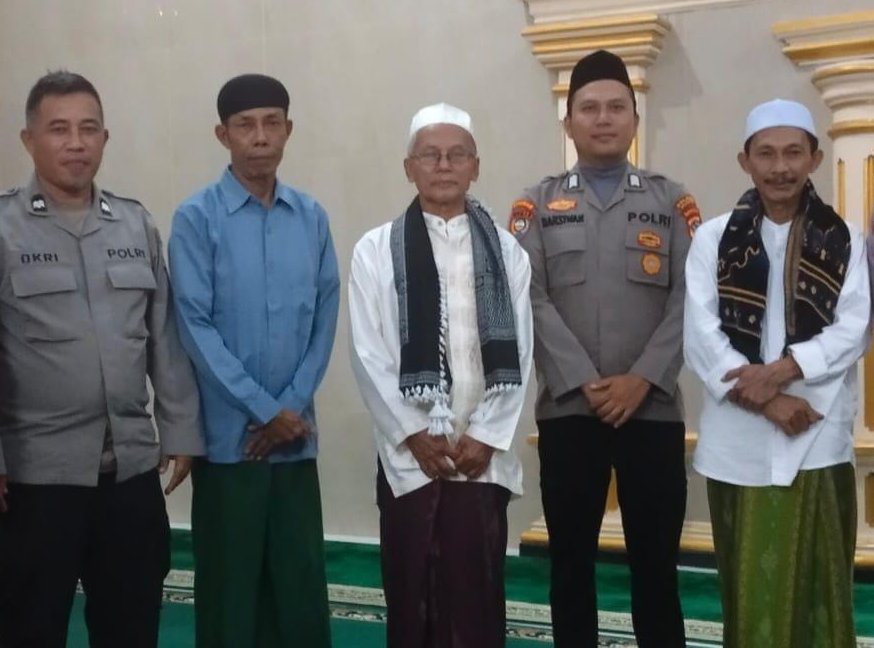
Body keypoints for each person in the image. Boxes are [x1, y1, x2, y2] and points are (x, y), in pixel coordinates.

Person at [0, 70, 204, 648]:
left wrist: (180, 429)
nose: (76, 143)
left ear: (105, 139)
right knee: (32, 627)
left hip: (129, 472)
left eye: (88, 129)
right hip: (35, 476)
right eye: (59, 129)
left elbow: (163, 336)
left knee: (131, 625)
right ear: (29, 140)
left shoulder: (134, 222)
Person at [509, 49, 693, 647]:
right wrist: (584, 380)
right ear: (568, 123)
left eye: (617, 107)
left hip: (652, 410)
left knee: (656, 569)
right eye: (589, 108)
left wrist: (643, 378)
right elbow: (529, 296)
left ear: (636, 119)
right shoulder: (536, 205)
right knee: (570, 567)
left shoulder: (671, 202)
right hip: (570, 411)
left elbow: (690, 298)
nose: (604, 118)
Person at [684, 99, 869, 648]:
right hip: (738, 438)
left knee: (820, 587)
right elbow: (701, 336)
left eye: (793, 153)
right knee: (750, 589)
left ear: (815, 159)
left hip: (817, 432)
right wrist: (768, 398)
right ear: (745, 162)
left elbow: (854, 327)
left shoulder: (844, 239)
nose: (780, 167)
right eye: (766, 154)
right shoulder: (713, 238)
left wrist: (786, 370)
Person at [349, 102, 533, 647]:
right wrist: (413, 434)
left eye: (457, 155)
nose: (444, 165)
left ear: (476, 166)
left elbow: (521, 350)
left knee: (475, 600)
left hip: (481, 459)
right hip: (409, 459)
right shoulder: (375, 249)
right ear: (409, 168)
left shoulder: (506, 251)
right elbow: (367, 353)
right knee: (411, 595)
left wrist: (486, 435)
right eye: (430, 155)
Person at [168, 74, 339, 647]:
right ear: (223, 135)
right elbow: (195, 328)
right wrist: (265, 410)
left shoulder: (311, 217)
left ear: (288, 130)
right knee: (231, 595)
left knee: (299, 591)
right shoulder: (196, 219)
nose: (260, 136)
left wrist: (290, 408)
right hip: (230, 443)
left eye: (272, 123)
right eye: (245, 125)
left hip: (294, 442)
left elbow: (324, 319)